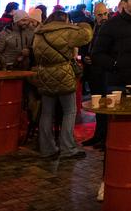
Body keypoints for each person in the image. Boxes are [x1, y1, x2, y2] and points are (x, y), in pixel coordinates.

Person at [32, 9, 93, 159]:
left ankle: (47, 148)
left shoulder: (39, 33)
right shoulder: (66, 32)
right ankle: (68, 147)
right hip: (63, 73)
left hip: (45, 73)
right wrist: (84, 23)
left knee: (46, 112)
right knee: (69, 111)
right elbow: (86, 37)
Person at [81, 2, 111, 148]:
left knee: (106, 106)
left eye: (105, 14)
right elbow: (85, 47)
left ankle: (105, 137)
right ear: (94, 15)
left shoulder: (111, 29)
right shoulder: (91, 28)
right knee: (98, 105)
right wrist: (85, 56)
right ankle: (98, 135)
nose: (104, 17)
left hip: (106, 72)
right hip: (94, 72)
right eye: (100, 15)